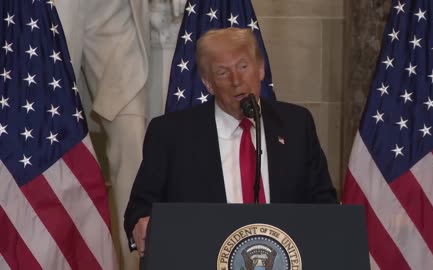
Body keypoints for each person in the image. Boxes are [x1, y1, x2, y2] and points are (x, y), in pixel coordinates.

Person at [123, 27, 338, 258]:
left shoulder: (296, 124)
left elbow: (324, 204)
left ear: (261, 69)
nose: (237, 80)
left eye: (243, 67)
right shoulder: (171, 134)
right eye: (223, 72)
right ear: (208, 83)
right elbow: (139, 209)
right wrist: (142, 224)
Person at [55, 0, 149, 269]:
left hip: (115, 9)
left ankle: (137, 261)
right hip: (55, 7)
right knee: (54, 131)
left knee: (132, 133)